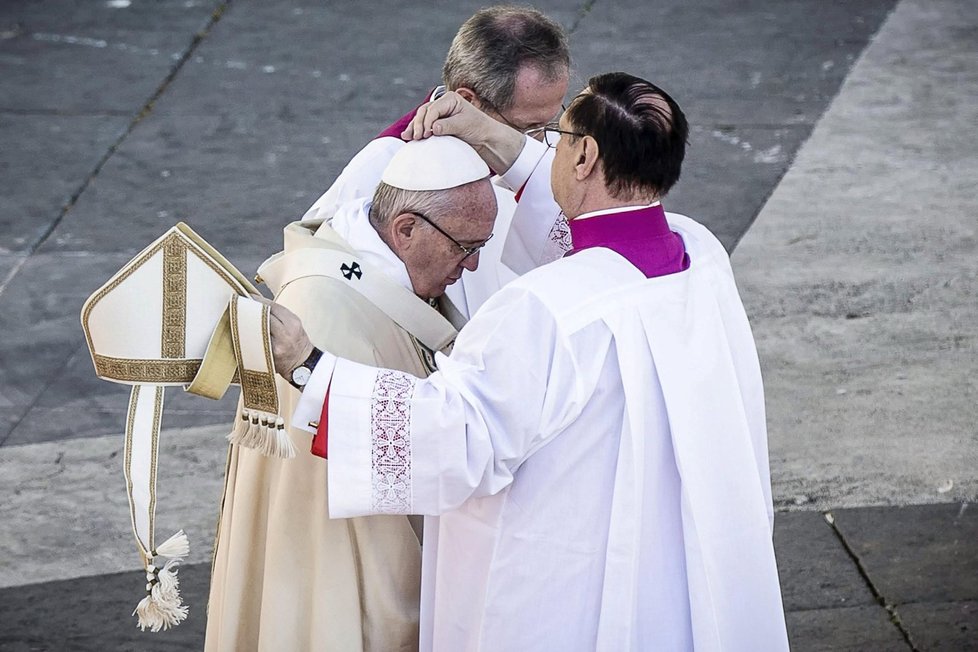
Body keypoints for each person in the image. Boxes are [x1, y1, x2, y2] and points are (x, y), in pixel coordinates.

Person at [273, 72, 789, 650]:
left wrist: (311, 369)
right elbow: (586, 235)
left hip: (567, 586)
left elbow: (456, 438)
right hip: (674, 559)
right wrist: (507, 148)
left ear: (585, 155)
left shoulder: (543, 311)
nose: (548, 148)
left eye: (559, 135)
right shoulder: (701, 256)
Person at [204, 136, 497, 651]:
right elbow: (344, 498)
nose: (470, 266)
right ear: (405, 229)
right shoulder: (322, 309)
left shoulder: (384, 272)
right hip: (334, 552)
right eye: (465, 247)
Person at [303, 5, 572, 318]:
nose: (536, 143)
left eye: (549, 122)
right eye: (524, 128)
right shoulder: (387, 165)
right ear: (467, 101)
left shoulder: (542, 149)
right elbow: (319, 271)